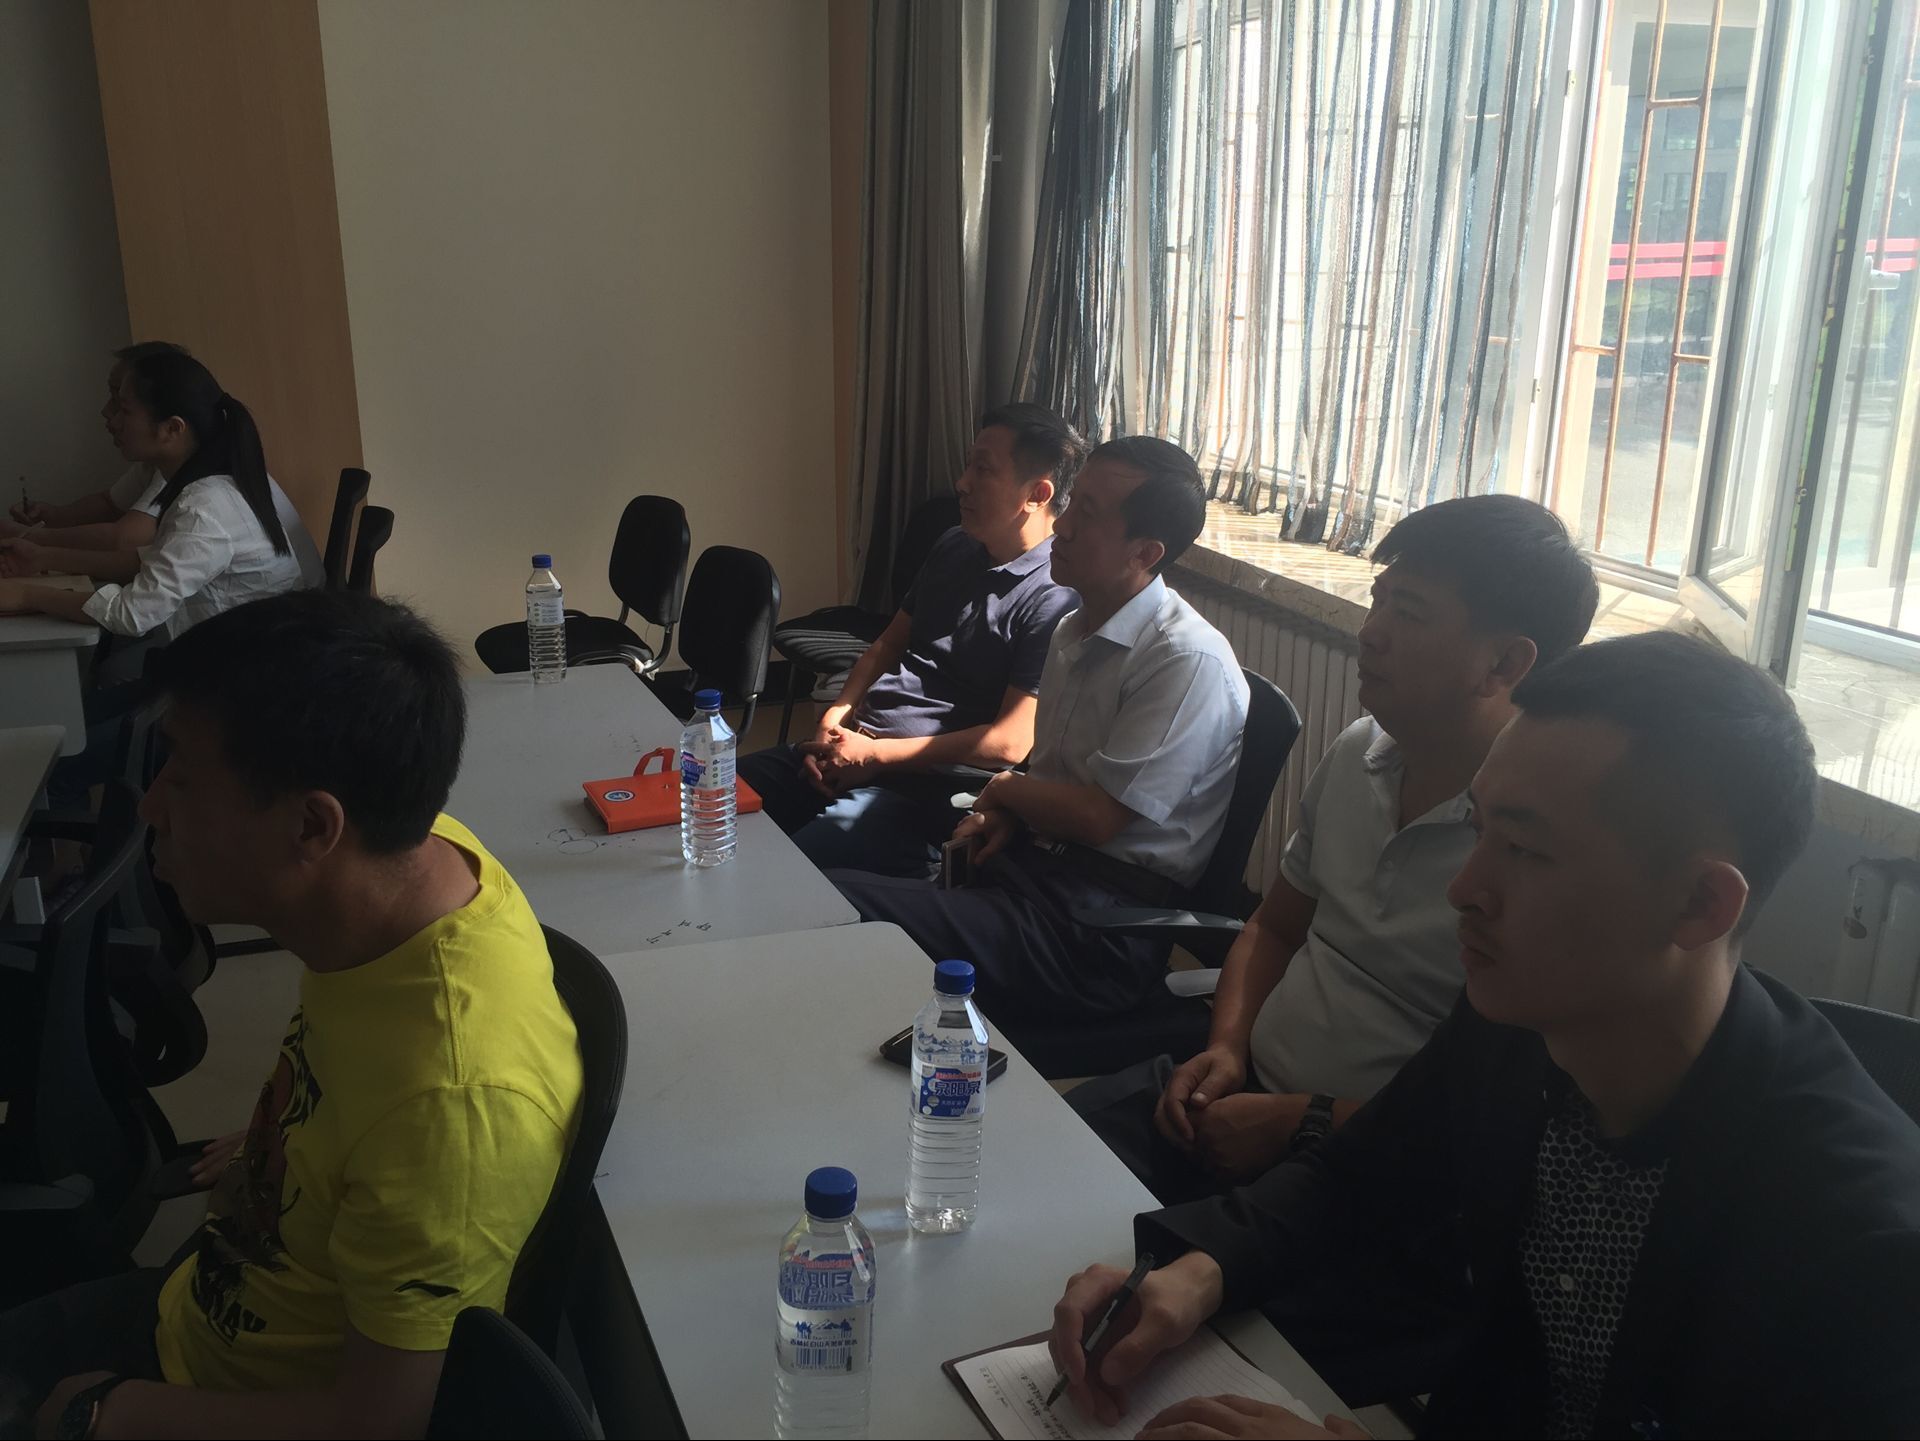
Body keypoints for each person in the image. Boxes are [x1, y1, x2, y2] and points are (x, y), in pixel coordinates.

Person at [1046, 633, 1920, 1439]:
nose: (1465, 888)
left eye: (1526, 851)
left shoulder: (1862, 1252)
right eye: (1480, 832)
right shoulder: (1523, 1025)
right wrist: (1201, 1270)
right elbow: (1359, 1176)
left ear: (1699, 904)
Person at [0, 591, 585, 1440]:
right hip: (210, 1300)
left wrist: (114, 1410)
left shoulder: (449, 1103)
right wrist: (297, 1149)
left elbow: (379, 1422)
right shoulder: (411, 868)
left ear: (312, 825)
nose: (150, 806)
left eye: (182, 777)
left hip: (218, 1392)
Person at [1070, 496, 1598, 1206]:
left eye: (1409, 613)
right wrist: (1226, 1047)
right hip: (1239, 1089)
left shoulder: (1537, 850)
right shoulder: (1360, 752)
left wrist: (1303, 1122)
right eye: (1378, 601)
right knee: (1028, 1158)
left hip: (1365, 1170)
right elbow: (1274, 928)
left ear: (1503, 661)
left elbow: (1492, 1117)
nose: (1371, 632)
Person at [829, 437, 1249, 1023]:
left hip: (1094, 931)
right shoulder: (1075, 627)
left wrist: (1004, 790)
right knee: (829, 889)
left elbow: (1098, 816)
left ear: (1144, 552)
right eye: (1073, 504)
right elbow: (1053, 778)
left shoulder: (1183, 660)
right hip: (1032, 876)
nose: (1064, 526)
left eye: (1089, 516)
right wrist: (1008, 813)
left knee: (837, 908)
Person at [738, 403, 1084, 876]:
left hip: (921, 786)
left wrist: (875, 756)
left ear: (1037, 494)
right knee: (704, 796)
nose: (962, 483)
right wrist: (835, 718)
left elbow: (1009, 743)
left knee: (782, 873)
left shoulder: (1054, 596)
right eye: (968, 465)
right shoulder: (954, 545)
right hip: (854, 747)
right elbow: (886, 647)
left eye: (983, 470)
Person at [0, 349, 314, 635]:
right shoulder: (206, 482)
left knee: (104, 673)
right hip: (256, 648)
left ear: (172, 429)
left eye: (124, 410)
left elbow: (131, 615)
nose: (112, 420)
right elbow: (154, 561)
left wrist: (26, 594)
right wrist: (41, 557)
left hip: (252, 663)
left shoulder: (203, 507)